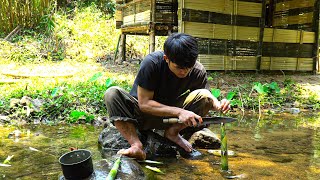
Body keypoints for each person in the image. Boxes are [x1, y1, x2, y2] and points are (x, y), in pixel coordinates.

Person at [104, 33, 230, 160]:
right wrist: (180, 112)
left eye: (188, 68)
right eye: (179, 67)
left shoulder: (197, 70)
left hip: (170, 117)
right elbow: (144, 104)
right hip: (139, 115)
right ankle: (136, 145)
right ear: (166, 58)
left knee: (204, 96)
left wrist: (218, 104)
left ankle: (172, 133)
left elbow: (205, 96)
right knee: (112, 93)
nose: (184, 72)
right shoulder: (152, 63)